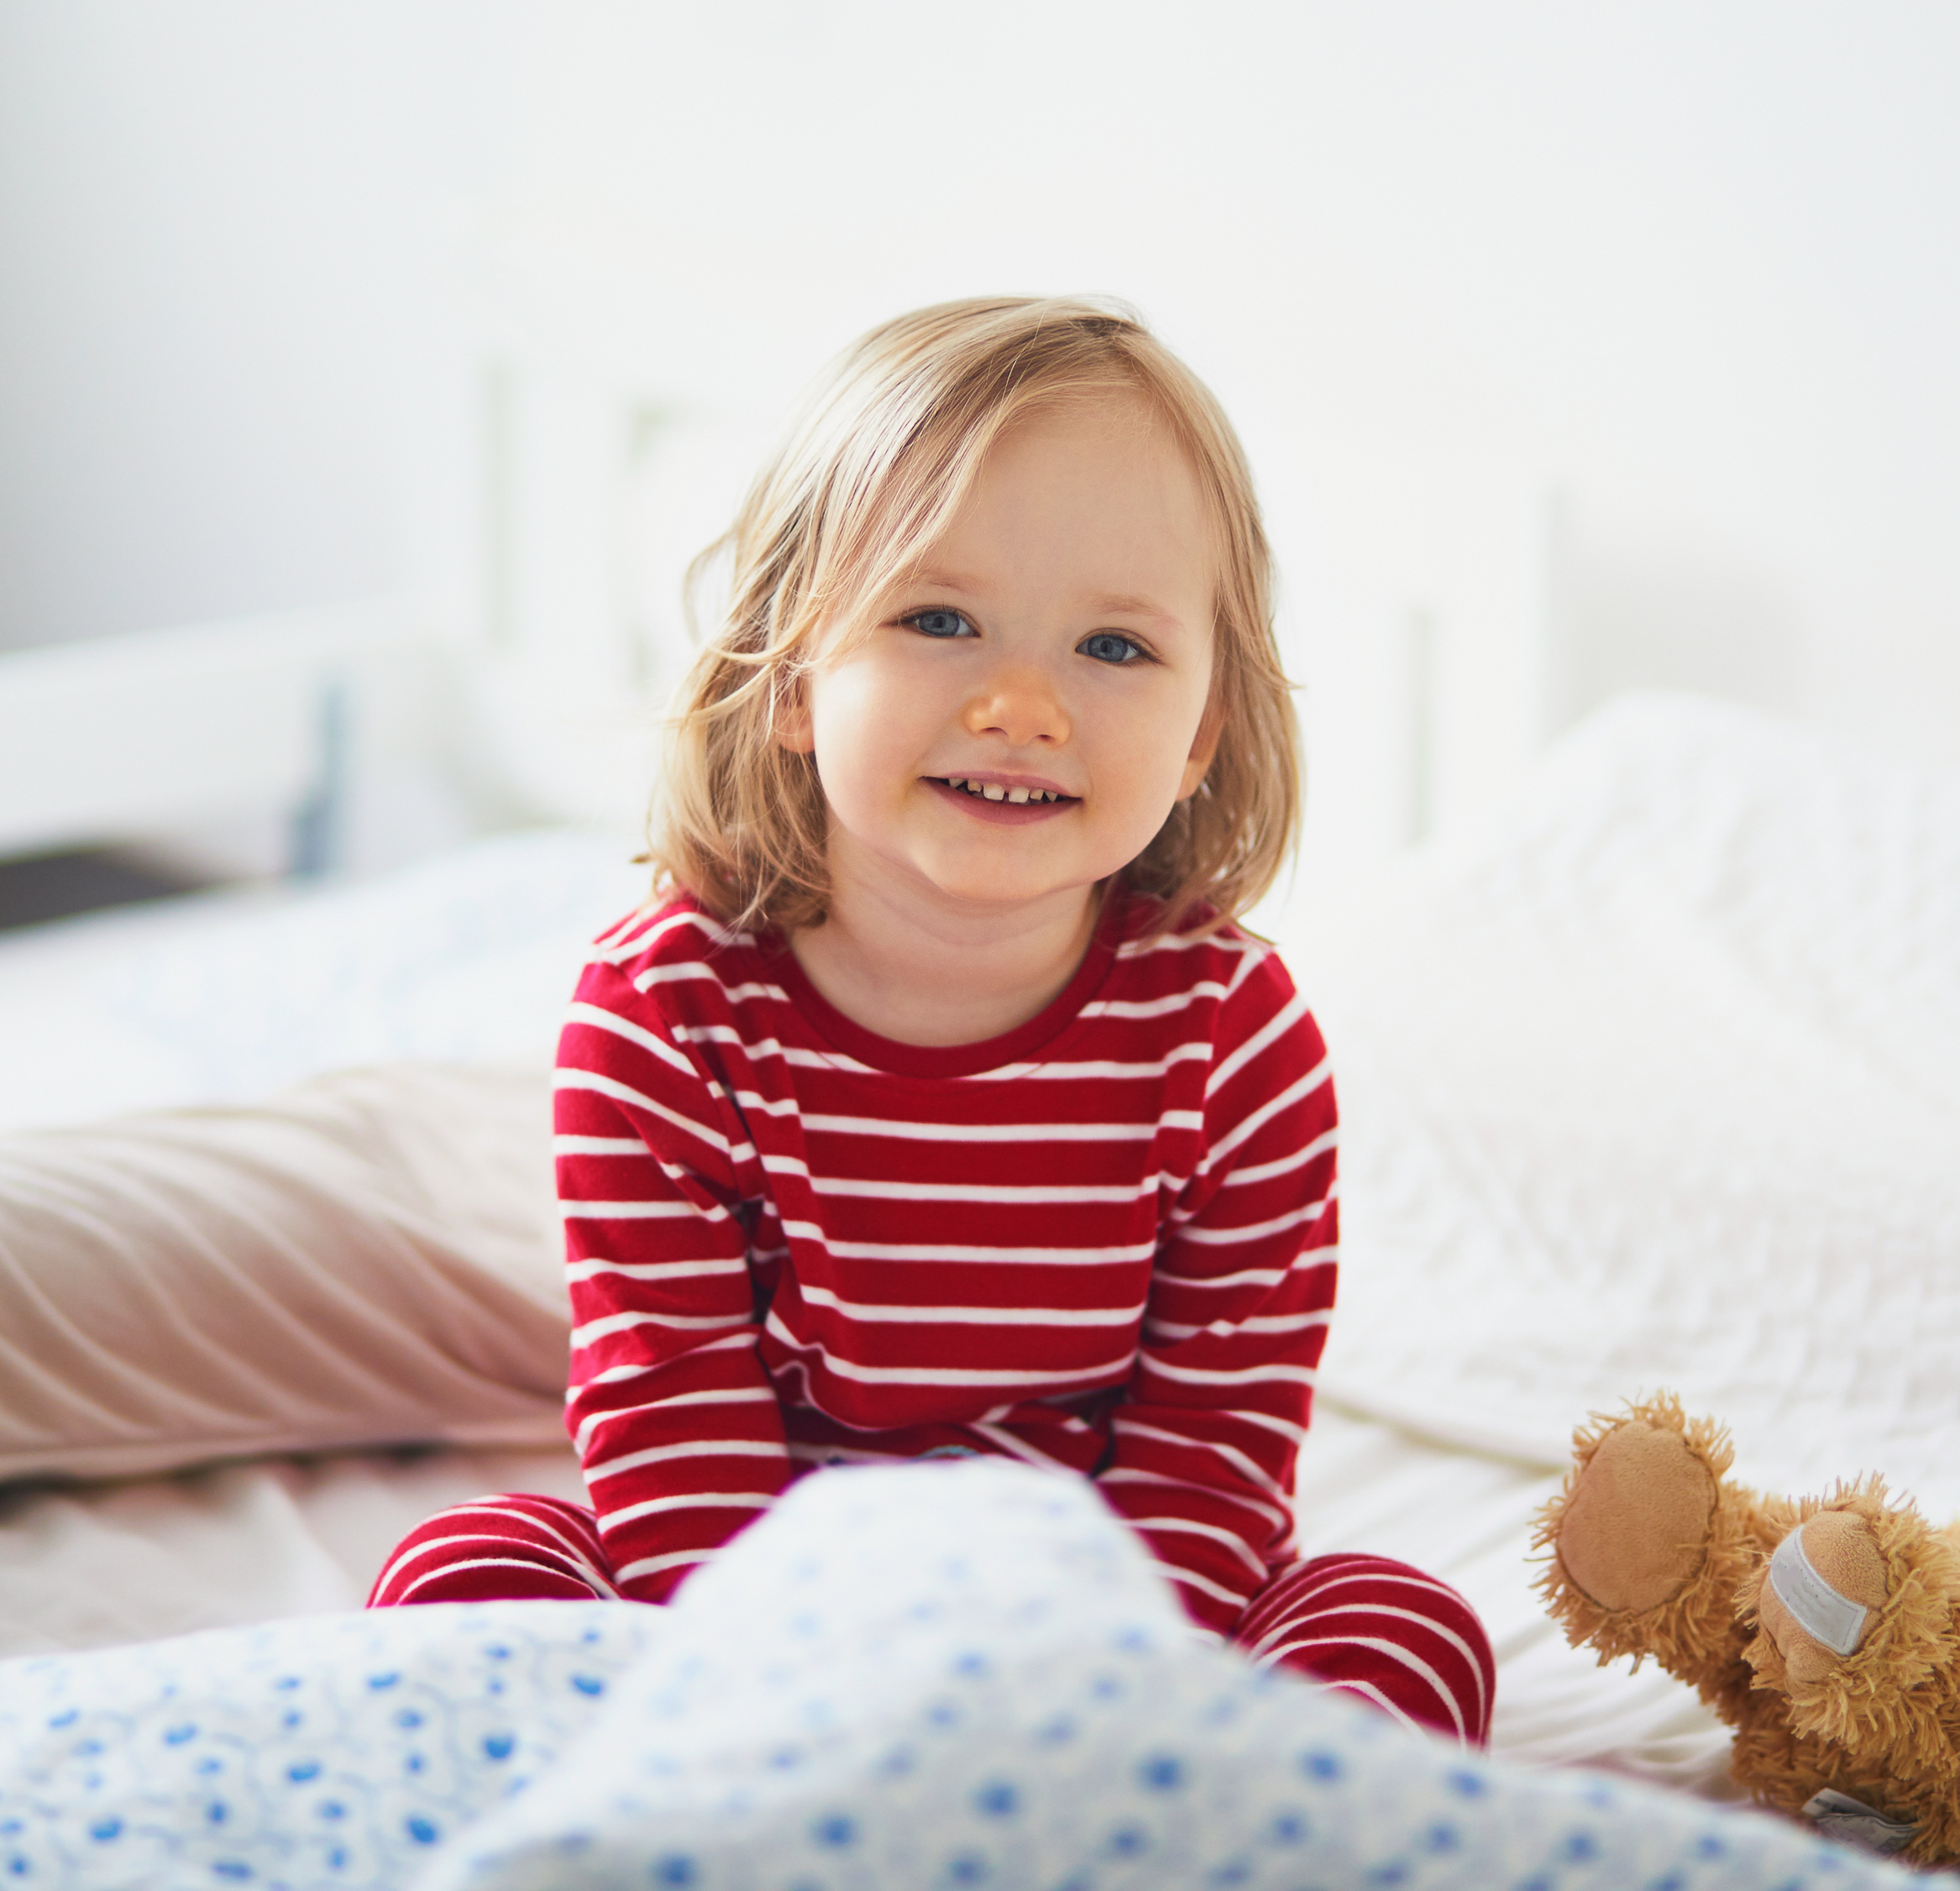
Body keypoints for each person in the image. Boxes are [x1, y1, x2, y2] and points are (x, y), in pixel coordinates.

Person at [369, 297, 1493, 1746]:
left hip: (1100, 1604)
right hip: (743, 1592)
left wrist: (1082, 1694)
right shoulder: (666, 1009)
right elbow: (673, 1429)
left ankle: (1167, 1827)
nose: (1022, 702)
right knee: (464, 1569)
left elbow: (1210, 1451)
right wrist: (798, 1698)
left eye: (1113, 647)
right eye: (938, 620)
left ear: (1204, 729)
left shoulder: (1235, 1040)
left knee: (1401, 1626)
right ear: (791, 676)